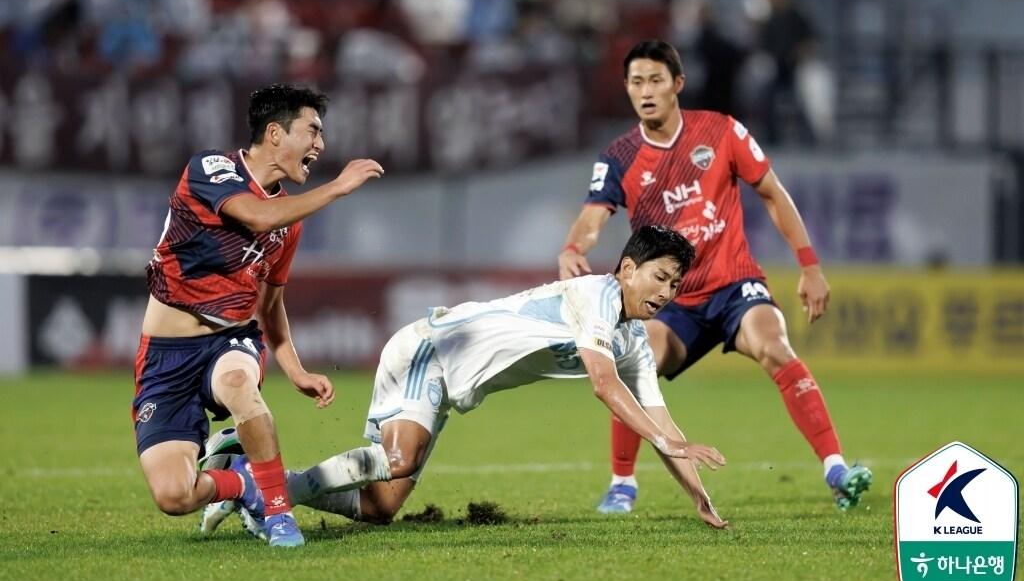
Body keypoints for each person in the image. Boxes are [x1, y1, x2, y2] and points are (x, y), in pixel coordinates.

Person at [205, 225, 729, 533]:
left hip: (449, 382)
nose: (666, 293)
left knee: (379, 507)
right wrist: (666, 441)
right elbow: (603, 384)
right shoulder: (597, 295)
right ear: (628, 269)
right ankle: (263, 491)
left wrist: (699, 497)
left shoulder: (633, 340)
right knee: (398, 459)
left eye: (675, 284)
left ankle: (255, 477)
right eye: (660, 277)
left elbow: (663, 424)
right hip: (430, 349)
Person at [557, 40, 871, 514]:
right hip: (671, 299)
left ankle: (836, 470)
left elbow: (772, 193)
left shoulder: (721, 131)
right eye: (637, 82)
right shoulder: (620, 155)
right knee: (636, 364)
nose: (646, 91)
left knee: (774, 346)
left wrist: (809, 265)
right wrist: (572, 248)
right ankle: (622, 484)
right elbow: (592, 217)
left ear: (677, 84)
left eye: (656, 80)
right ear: (627, 88)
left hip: (733, 283)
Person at [133, 83, 384, 547]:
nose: (320, 145)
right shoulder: (211, 168)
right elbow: (257, 216)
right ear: (274, 133)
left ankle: (278, 513)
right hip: (165, 356)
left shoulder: (289, 222)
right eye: (313, 131)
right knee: (174, 495)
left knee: (237, 383)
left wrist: (295, 369)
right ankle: (243, 482)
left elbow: (270, 305)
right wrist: (338, 187)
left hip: (230, 341)